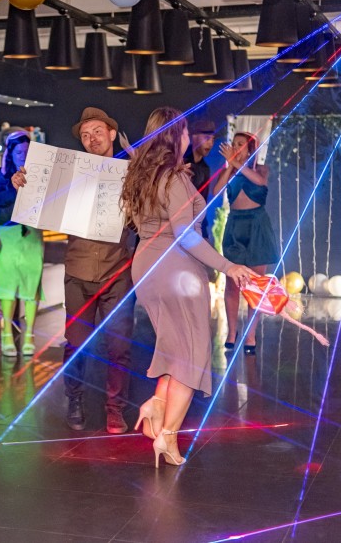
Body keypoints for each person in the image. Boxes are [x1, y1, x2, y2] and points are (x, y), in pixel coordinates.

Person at [120, 107, 255, 467]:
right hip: (175, 270)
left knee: (172, 346)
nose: (188, 138)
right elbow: (185, 235)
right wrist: (228, 266)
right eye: (183, 131)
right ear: (175, 135)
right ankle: (168, 436)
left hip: (146, 266)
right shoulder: (174, 178)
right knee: (191, 355)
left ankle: (157, 405)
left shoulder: (140, 176)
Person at [13, 107, 135, 434]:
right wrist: (23, 184)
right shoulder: (68, 175)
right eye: (85, 135)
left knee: (119, 347)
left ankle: (115, 409)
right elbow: (37, 204)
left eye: (97, 132)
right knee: (76, 344)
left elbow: (144, 217)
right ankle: (75, 399)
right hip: (78, 272)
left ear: (112, 133)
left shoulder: (130, 173)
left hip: (117, 272)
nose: (92, 139)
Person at [213, 130, 279, 355]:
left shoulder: (261, 169)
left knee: (255, 285)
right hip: (235, 227)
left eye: (241, 144)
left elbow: (259, 182)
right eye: (234, 143)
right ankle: (232, 332)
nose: (235, 147)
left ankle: (250, 334)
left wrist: (235, 163)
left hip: (257, 227)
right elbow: (216, 192)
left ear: (250, 150)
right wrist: (229, 166)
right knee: (232, 283)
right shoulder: (230, 170)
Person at [0, 128, 44, 357]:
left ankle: (29, 334)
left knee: (32, 286)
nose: (23, 155)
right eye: (19, 152)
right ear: (10, 154)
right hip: (7, 236)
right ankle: (6, 335)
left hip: (32, 235)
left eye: (27, 151)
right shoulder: (1, 176)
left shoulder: (40, 175)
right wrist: (14, 187)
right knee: (7, 287)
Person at [183, 119, 216, 239]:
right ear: (194, 137)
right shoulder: (179, 159)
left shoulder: (205, 168)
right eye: (207, 138)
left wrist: (203, 232)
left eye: (213, 139)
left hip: (195, 224)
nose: (210, 143)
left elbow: (203, 202)